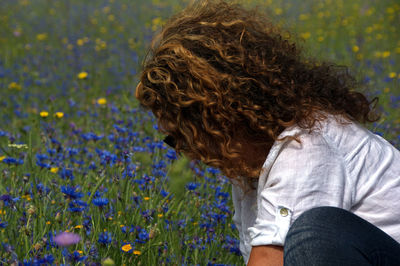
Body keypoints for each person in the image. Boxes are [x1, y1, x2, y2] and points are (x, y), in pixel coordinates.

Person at [135, 0, 400, 265]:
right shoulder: (252, 168)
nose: (183, 152)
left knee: (313, 234)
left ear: (218, 119)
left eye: (182, 137)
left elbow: (270, 260)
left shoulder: (303, 148)